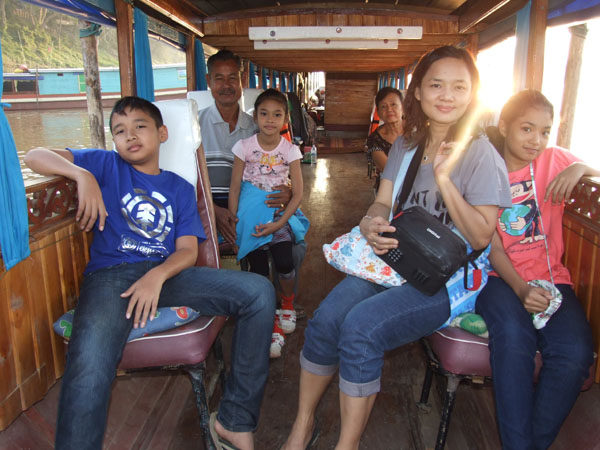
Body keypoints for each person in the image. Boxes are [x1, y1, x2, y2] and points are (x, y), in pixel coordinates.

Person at [281, 45, 512, 450]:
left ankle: (347, 445)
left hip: (448, 281)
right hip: (397, 260)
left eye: (459, 87)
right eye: (436, 85)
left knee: (361, 329)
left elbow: (480, 237)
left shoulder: (481, 155)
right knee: (325, 320)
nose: (447, 95)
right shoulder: (407, 143)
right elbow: (383, 201)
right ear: (418, 92)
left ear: (472, 94)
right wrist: (370, 221)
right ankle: (302, 426)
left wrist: (444, 179)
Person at [25, 97, 275, 450]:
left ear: (162, 133)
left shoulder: (179, 188)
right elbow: (34, 155)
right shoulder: (106, 165)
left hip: (168, 274)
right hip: (111, 277)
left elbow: (187, 251)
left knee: (259, 292)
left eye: (140, 126)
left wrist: (157, 276)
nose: (130, 136)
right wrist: (81, 174)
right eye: (119, 131)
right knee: (90, 359)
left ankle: (234, 421)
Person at [476, 89, 597, 450]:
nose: (536, 140)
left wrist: (580, 168)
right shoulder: (486, 171)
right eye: (526, 129)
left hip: (553, 279)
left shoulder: (554, 160)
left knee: (575, 354)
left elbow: (596, 171)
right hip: (498, 278)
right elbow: (493, 246)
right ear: (504, 127)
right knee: (514, 342)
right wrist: (520, 288)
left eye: (545, 131)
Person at [198, 49, 307, 317]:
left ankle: (283, 303)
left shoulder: (257, 126)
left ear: (242, 80)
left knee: (294, 249)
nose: (226, 85)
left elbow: (278, 169)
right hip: (207, 208)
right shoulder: (194, 125)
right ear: (208, 81)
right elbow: (184, 181)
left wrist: (288, 191)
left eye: (232, 78)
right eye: (219, 78)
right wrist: (213, 210)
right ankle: (239, 306)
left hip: (256, 203)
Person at [229, 89, 306, 358]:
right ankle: (272, 320)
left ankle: (288, 303)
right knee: (259, 271)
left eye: (277, 114)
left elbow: (298, 194)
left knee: (284, 262)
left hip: (276, 217)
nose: (270, 120)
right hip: (250, 218)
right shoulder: (244, 147)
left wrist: (279, 223)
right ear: (255, 117)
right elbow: (235, 188)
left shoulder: (290, 151)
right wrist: (235, 224)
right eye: (264, 113)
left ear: (285, 119)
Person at [365, 87, 404, 191]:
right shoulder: (375, 140)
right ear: (378, 112)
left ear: (403, 107)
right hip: (390, 190)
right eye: (383, 106)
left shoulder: (416, 130)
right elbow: (390, 172)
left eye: (393, 104)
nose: (389, 109)